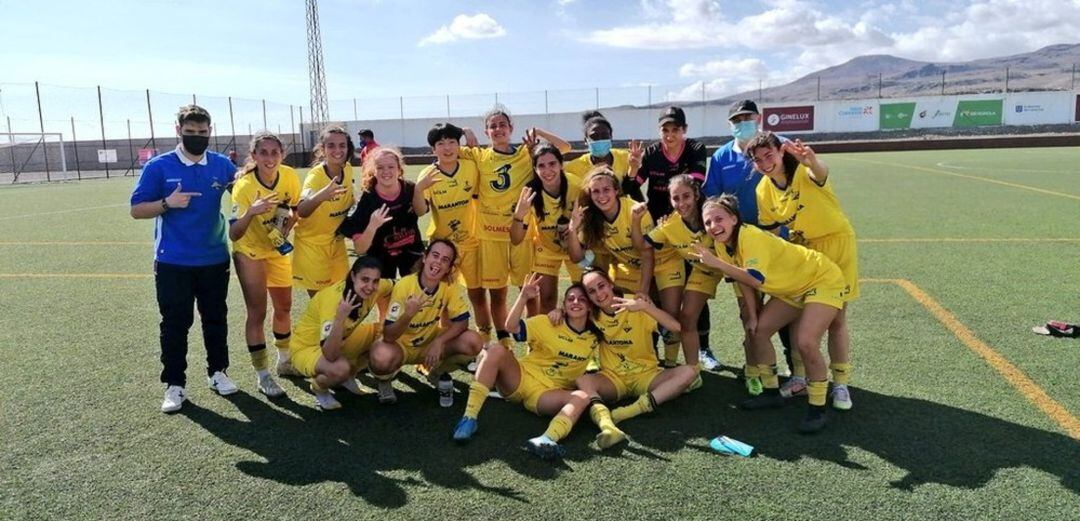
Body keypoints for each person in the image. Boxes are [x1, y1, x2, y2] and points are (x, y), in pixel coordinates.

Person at [694, 195, 850, 433]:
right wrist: (754, 315)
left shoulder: (750, 236)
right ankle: (770, 392)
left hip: (821, 278)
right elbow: (741, 279)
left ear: (734, 219)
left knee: (806, 342)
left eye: (719, 219)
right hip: (791, 288)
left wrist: (716, 264)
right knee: (757, 331)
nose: (713, 226)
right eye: (707, 222)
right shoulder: (721, 245)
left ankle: (817, 408)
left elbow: (754, 277)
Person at [129, 104, 237, 413]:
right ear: (179, 131)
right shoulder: (159, 167)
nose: (197, 137)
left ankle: (218, 373)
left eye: (202, 132)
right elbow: (137, 210)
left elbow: (242, 192)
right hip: (173, 261)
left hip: (215, 257)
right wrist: (167, 202)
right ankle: (174, 385)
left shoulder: (221, 165)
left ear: (210, 132)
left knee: (216, 317)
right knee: (175, 323)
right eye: (190, 132)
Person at [747, 132, 858, 409]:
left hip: (836, 245)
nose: (764, 162)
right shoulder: (763, 189)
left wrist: (811, 160)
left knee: (836, 319)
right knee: (796, 317)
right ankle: (799, 377)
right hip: (803, 252)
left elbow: (819, 172)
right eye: (758, 159)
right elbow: (771, 234)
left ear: (781, 152)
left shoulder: (805, 171)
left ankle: (841, 383)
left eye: (768, 155)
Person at [452, 275, 603, 460]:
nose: (576, 302)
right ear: (564, 305)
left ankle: (546, 439)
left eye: (582, 299)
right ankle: (469, 418)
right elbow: (511, 326)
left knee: (581, 397)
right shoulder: (549, 322)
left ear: (589, 306)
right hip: (520, 378)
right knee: (496, 350)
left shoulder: (595, 334)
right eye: (570, 299)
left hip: (546, 394)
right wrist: (523, 297)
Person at [703, 100, 794, 388]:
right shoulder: (720, 157)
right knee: (749, 310)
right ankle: (757, 367)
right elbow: (712, 198)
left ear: (759, 118)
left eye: (747, 118)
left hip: (779, 244)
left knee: (786, 308)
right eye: (736, 120)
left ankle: (796, 369)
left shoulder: (778, 146)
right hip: (739, 248)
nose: (742, 123)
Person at [459, 107, 570, 342]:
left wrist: (539, 131)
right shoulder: (478, 155)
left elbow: (564, 148)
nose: (498, 129)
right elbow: (445, 146)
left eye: (503, 125)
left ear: (511, 129)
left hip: (522, 234)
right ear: (486, 132)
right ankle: (504, 342)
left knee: (529, 292)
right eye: (493, 126)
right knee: (498, 295)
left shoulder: (526, 153)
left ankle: (533, 339)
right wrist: (463, 130)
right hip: (490, 236)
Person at [567, 167, 685, 365]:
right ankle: (646, 356)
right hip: (630, 267)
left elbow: (648, 254)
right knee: (628, 312)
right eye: (595, 191)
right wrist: (573, 229)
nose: (601, 196)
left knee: (669, 315)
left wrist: (643, 292)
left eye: (606, 190)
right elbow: (576, 257)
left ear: (616, 191)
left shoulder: (635, 210)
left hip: (665, 263)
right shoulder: (589, 217)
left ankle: (671, 364)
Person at [574, 268, 698, 448]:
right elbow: (567, 319)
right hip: (614, 379)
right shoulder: (591, 316)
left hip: (647, 376)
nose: (599, 294)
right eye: (591, 291)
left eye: (601, 286)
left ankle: (629, 412)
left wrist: (646, 307)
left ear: (610, 284)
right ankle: (608, 425)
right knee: (583, 381)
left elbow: (675, 327)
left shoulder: (636, 304)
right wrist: (557, 313)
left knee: (689, 372)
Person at [367, 239, 484, 405]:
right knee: (380, 356)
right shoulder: (405, 286)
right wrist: (408, 315)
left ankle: (435, 371)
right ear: (424, 258)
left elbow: (462, 323)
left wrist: (439, 341)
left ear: (449, 268)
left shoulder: (449, 286)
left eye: (445, 260)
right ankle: (384, 381)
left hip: (429, 343)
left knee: (473, 341)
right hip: (401, 346)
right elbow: (388, 336)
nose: (438, 262)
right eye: (435, 255)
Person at [228, 132, 300, 398]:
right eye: (264, 152)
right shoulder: (245, 186)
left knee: (284, 306)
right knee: (257, 312)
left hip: (275, 248)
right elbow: (234, 233)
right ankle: (263, 375)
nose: (270, 158)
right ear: (254, 156)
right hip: (249, 250)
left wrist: (284, 228)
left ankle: (284, 360)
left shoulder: (290, 176)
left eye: (275, 152)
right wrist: (252, 211)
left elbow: (292, 209)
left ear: (282, 154)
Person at [413, 123, 492, 340]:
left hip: (471, 242)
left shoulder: (470, 168)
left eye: (452, 142)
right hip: (442, 247)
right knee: (443, 298)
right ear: (433, 149)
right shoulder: (428, 174)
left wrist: (468, 131)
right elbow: (420, 211)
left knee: (477, 295)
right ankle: (445, 343)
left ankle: (484, 342)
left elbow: (482, 155)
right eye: (441, 144)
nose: (447, 148)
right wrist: (418, 189)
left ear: (459, 146)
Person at [640, 175, 723, 370]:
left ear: (696, 194)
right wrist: (635, 222)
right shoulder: (669, 224)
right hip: (704, 272)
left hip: (733, 268)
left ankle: (756, 371)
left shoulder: (711, 214)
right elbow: (643, 245)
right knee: (686, 318)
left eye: (686, 196)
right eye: (675, 198)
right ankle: (692, 371)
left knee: (750, 316)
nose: (681, 203)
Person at [290, 256, 392, 410]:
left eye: (375, 281)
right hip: (308, 347)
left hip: (342, 339)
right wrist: (339, 318)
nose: (370, 286)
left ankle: (350, 375)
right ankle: (319, 388)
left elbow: (399, 284)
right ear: (352, 276)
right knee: (339, 368)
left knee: (386, 332)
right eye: (365, 279)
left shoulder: (375, 287)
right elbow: (329, 354)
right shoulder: (334, 300)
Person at [509, 143, 582, 313]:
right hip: (547, 248)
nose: (547, 170)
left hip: (577, 246)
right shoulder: (530, 193)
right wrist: (519, 215)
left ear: (561, 164)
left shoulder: (576, 186)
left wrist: (577, 230)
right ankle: (546, 338)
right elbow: (516, 238)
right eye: (541, 165)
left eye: (552, 164)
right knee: (547, 298)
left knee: (584, 293)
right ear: (534, 168)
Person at [338, 147, 424, 279]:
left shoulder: (410, 189)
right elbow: (360, 249)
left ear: (399, 169)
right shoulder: (367, 200)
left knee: (417, 288)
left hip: (411, 251)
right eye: (380, 167)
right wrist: (372, 225)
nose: (386, 171)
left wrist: (419, 191)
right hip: (380, 255)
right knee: (381, 292)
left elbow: (422, 211)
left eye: (391, 166)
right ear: (373, 171)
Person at [292, 125, 356, 301]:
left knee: (342, 298)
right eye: (331, 145)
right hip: (312, 247)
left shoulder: (348, 169)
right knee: (322, 304)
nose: (337, 150)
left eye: (342, 145)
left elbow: (350, 202)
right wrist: (322, 196)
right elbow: (302, 210)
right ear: (322, 149)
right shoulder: (316, 177)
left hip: (336, 244)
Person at [634, 105, 709, 222]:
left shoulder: (696, 149)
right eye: (665, 130)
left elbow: (695, 183)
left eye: (675, 129)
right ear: (659, 131)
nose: (669, 135)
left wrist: (672, 214)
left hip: (688, 214)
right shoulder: (650, 153)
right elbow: (632, 187)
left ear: (684, 129)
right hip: (657, 216)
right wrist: (632, 169)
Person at [563, 110, 643, 200]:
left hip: (620, 211)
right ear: (585, 140)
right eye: (594, 136)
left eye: (604, 135)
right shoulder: (573, 168)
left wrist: (633, 169)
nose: (600, 140)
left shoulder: (626, 158)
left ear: (611, 136)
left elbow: (632, 190)